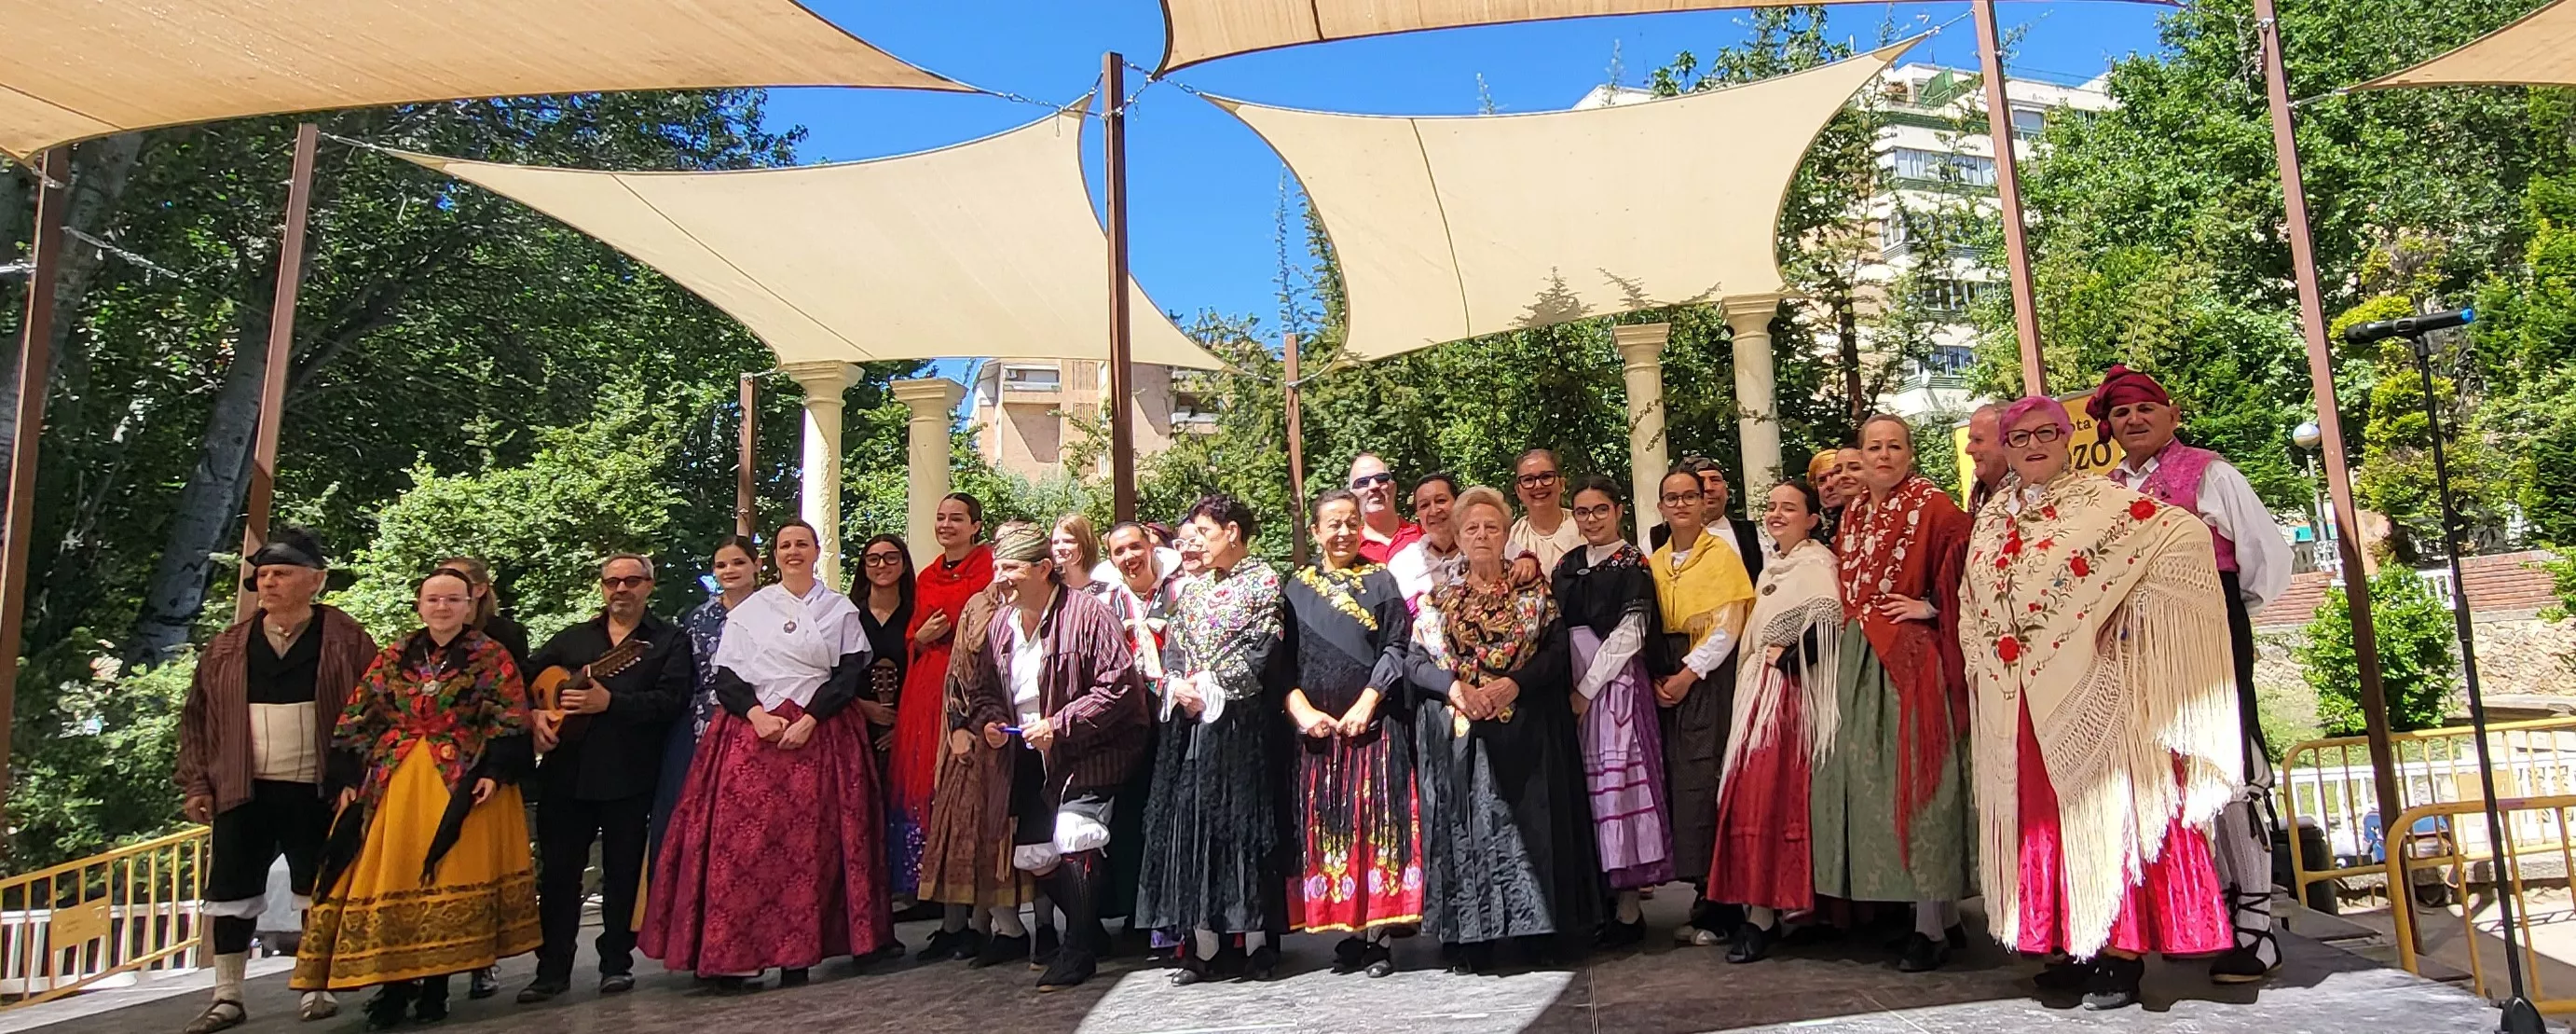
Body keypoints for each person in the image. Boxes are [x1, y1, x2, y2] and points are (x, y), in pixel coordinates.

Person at [1962, 395, 2242, 1010]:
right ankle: (2072, 944)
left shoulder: (2100, 502)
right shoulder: (1990, 518)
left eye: (2047, 433)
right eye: (2020, 437)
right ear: (2005, 449)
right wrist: (1986, 662)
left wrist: (2131, 626)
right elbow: (1971, 598)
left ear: (2067, 440)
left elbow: (2179, 533)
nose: (2034, 445)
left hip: (2093, 689)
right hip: (2018, 699)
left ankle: (2119, 954)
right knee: (2045, 821)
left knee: (2103, 815)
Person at [2092, 365, 2293, 984]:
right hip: (2140, 644)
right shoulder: (2108, 489)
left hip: (2208, 631)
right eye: (2121, 413)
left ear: (2171, 414)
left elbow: (2266, 557)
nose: (2133, 420)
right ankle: (2208, 911)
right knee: (2166, 774)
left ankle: (2257, 925)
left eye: (2145, 408)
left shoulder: (2210, 473)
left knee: (2228, 767)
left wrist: (2224, 611)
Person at [642, 520, 893, 991]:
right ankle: (734, 954)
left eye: (802, 544)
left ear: (818, 551)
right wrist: (756, 715)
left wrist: (810, 719)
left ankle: (801, 955)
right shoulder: (751, 612)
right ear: (773, 557)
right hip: (753, 735)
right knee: (741, 847)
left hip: (822, 732)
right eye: (784, 546)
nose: (793, 552)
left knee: (814, 846)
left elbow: (846, 677)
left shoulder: (839, 610)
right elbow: (728, 677)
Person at [292, 569, 540, 1028]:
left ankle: (437, 990)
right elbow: (357, 713)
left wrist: (496, 770)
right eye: (433, 600)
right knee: (394, 876)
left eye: (452, 600)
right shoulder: (395, 656)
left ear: (470, 605)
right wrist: (347, 774)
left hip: (460, 781)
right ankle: (392, 988)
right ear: (419, 605)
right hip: (396, 780)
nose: (442, 608)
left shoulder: (489, 656)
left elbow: (510, 715)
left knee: (444, 875)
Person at [179, 529, 378, 1033]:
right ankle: (227, 995)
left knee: (318, 885)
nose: (268, 583)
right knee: (230, 887)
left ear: (315, 581)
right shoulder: (228, 645)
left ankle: (316, 985)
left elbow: (375, 710)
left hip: (318, 786)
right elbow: (199, 717)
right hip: (243, 784)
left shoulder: (347, 639)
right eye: (263, 575)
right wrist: (198, 783)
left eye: (281, 573)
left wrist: (358, 776)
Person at [1407, 486, 1600, 972]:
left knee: (1532, 832)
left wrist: (1514, 684)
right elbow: (1415, 663)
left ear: (1506, 533)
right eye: (1471, 527)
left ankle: (1538, 933)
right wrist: (1455, 689)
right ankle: (1475, 935)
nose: (1482, 535)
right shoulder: (1439, 600)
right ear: (1457, 533)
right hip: (1469, 739)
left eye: (1492, 527)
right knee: (1472, 836)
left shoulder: (1535, 593)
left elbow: (1557, 655)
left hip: (1530, 734)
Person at [1817, 415, 1975, 972]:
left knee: (1921, 783)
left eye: (1895, 446)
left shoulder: (1934, 505)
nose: (1884, 456)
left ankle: (1929, 926)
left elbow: (1970, 566)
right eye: (1874, 447)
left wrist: (1930, 605)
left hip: (1912, 661)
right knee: (1879, 788)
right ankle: (1939, 917)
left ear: (1911, 453)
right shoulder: (1854, 512)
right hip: (1864, 659)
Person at [965, 525, 1153, 990]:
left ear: (1043, 569)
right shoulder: (1000, 625)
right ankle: (1090, 928)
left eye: (1010, 568)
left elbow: (1119, 688)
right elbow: (985, 690)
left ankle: (1079, 949)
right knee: (1032, 855)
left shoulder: (1087, 614)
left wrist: (1060, 724)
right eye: (997, 567)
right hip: (1029, 755)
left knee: (1075, 833)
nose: (1000, 578)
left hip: (1093, 749)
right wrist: (989, 721)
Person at [517, 554, 695, 1003]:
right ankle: (551, 970)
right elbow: (519, 681)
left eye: (632, 580)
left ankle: (616, 964)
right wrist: (534, 714)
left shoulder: (668, 642)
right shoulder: (572, 640)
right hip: (566, 776)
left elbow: (672, 701)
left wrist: (610, 704)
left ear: (649, 586)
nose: (621, 589)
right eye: (612, 581)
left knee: (621, 875)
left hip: (631, 774)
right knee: (557, 877)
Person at [1137, 494, 1290, 985]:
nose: (1197, 542)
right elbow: (1177, 647)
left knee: (1247, 827)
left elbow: (1264, 646)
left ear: (1233, 533)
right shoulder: (1193, 592)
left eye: (1205, 531)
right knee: (1196, 824)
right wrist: (1176, 683)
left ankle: (1260, 941)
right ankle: (1204, 942)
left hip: (1243, 724)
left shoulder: (1264, 582)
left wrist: (1211, 688)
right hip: (1194, 728)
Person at [1281, 489, 1420, 977]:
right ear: (1315, 531)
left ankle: (1379, 936)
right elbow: (1281, 664)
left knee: (1378, 827)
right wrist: (1302, 712)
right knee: (1333, 832)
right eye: (1332, 524)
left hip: (1373, 728)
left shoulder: (1382, 582)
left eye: (1351, 523)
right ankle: (1349, 931)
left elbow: (1396, 647)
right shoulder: (1294, 587)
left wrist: (1369, 701)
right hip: (1318, 735)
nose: (1342, 532)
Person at [1708, 481, 1843, 964]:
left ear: (1811, 519)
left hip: (1789, 700)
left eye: (1790, 507)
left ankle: (1773, 914)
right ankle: (1760, 911)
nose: (1777, 513)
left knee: (1771, 798)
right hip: (1759, 695)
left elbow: (1829, 621)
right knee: (1749, 798)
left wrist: (1787, 661)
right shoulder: (1775, 565)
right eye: (1772, 507)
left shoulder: (1816, 564)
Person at [1552, 476, 1672, 947]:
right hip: (1571, 683)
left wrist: (1587, 688)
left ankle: (1628, 910)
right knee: (1583, 793)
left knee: (1619, 790)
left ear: (1618, 510)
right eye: (1582, 512)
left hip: (1614, 684)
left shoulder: (1632, 563)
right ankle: (1595, 900)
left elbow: (1632, 630)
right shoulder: (1567, 564)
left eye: (1600, 510)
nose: (1591, 520)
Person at [1647, 468, 1758, 948]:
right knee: (1681, 787)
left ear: (1703, 501)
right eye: (1672, 498)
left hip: (1707, 679)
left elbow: (1729, 622)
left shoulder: (1722, 556)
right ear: (1662, 507)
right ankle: (1702, 894)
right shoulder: (1656, 561)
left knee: (1707, 779)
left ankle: (1726, 903)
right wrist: (1659, 674)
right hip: (1666, 678)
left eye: (1689, 496)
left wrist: (1689, 673)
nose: (1682, 505)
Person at [916, 524, 1031, 968]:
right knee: (980, 829)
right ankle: (1001, 929)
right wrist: (959, 725)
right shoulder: (979, 605)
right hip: (982, 736)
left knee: (1029, 836)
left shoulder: (1052, 603)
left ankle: (1048, 931)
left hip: (1035, 732)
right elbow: (961, 670)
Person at [891, 494, 993, 903]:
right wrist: (922, 637)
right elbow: (914, 634)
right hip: (927, 684)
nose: (946, 525)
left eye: (956, 518)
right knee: (920, 777)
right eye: (940, 518)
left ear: (975, 526)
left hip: (968, 683)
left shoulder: (987, 568)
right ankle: (927, 888)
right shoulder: (927, 576)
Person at [657, 536, 760, 849]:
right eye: (721, 565)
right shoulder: (699, 617)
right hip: (702, 721)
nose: (730, 570)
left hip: (756, 718)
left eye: (739, 562)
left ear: (756, 565)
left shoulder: (775, 610)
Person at [854, 533, 916, 897]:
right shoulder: (848, 614)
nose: (882, 565)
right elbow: (832, 674)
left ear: (904, 565)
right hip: (858, 723)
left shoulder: (915, 614)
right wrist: (865, 708)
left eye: (891, 558)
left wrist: (903, 723)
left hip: (908, 726)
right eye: (873, 559)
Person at [1388, 474, 1466, 612]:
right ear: (1418, 514)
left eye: (1441, 500)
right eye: (1424, 505)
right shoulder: (1402, 564)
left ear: (1458, 504)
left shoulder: (1486, 547)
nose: (1434, 511)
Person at [1506, 449, 1584, 572]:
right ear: (1518, 491)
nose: (1538, 485)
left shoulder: (1584, 527)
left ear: (1562, 484)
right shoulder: (1511, 538)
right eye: (1528, 479)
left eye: (1546, 477)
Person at [1348, 453, 1422, 564]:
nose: (1374, 486)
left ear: (1394, 487)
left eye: (1381, 478)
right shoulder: (1347, 546)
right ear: (1352, 495)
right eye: (1362, 482)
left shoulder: (1424, 537)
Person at [1052, 514, 1109, 600]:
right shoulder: (1050, 588)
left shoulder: (1107, 590)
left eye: (1068, 541)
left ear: (1085, 544)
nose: (1060, 547)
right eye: (1055, 542)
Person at [1965, 403, 2008, 513]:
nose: (1968, 449)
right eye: (1971, 440)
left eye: (1978, 440)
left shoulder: (2027, 495)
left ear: (2008, 442)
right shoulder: (1980, 493)